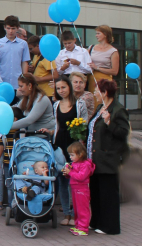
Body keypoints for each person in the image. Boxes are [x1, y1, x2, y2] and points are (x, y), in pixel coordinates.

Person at [38, 77, 88, 226]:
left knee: (75, 182)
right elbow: (57, 126)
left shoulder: (80, 104)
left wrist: (81, 136)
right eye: (58, 88)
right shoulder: (57, 104)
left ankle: (75, 214)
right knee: (62, 180)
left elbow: (85, 124)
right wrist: (50, 131)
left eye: (63, 87)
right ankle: (66, 214)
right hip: (60, 146)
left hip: (74, 147)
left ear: (70, 87)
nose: (61, 91)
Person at [88, 79, 130, 235]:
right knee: (97, 192)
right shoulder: (100, 107)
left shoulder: (118, 110)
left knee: (108, 194)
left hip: (109, 158)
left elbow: (123, 133)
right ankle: (97, 221)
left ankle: (110, 226)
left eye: (97, 91)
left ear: (105, 93)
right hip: (96, 158)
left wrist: (109, 122)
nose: (94, 94)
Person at [64, 141, 95, 236]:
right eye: (70, 155)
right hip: (74, 189)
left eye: (72, 155)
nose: (70, 157)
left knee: (82, 209)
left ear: (80, 154)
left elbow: (81, 177)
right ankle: (78, 225)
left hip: (82, 190)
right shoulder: (74, 163)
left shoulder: (85, 164)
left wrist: (70, 172)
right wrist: (67, 174)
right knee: (77, 209)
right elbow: (73, 175)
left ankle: (83, 228)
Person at [0, 15, 30, 90]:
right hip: (1, 80)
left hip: (17, 82)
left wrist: (24, 78)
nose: (11, 31)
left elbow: (24, 62)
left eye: (13, 28)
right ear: (4, 27)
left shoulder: (23, 44)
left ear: (17, 28)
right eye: (8, 28)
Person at [88, 25, 119, 91]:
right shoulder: (91, 47)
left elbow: (115, 71)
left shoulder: (113, 51)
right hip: (91, 80)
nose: (96, 36)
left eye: (98, 33)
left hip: (105, 82)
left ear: (105, 34)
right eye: (96, 33)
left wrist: (97, 68)